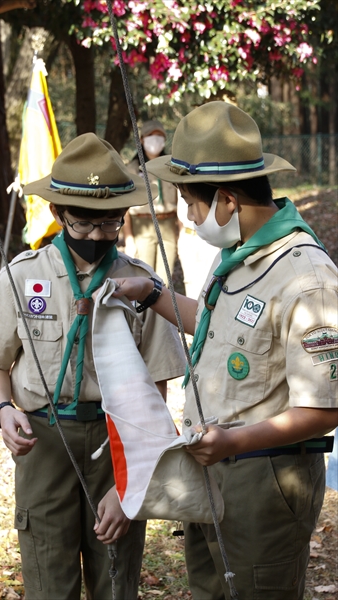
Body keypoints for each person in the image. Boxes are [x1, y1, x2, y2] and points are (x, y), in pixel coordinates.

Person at [109, 102, 338, 600]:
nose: (189, 218)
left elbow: (324, 410)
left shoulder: (306, 277)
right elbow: (217, 327)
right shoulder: (235, 255)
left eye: (192, 203)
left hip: (266, 479)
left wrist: (234, 443)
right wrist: (151, 294)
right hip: (212, 467)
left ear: (229, 200)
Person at [0, 133, 186, 600]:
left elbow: (158, 387)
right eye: (82, 225)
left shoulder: (142, 285)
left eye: (110, 225)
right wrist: (4, 410)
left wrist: (132, 481)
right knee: (48, 574)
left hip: (115, 440)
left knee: (115, 573)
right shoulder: (23, 276)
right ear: (57, 214)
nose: (96, 238)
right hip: (44, 443)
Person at [123, 119, 179, 284]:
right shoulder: (131, 169)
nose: (155, 140)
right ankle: (144, 311)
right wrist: (129, 237)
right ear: (141, 140)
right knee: (144, 278)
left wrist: (179, 231)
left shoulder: (171, 167)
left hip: (168, 224)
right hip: (142, 225)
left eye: (159, 136)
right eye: (150, 136)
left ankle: (163, 311)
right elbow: (125, 207)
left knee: (165, 280)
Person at [177, 192, 219, 299]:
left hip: (208, 236)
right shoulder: (180, 185)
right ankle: (194, 314)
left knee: (210, 280)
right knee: (189, 281)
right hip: (187, 235)